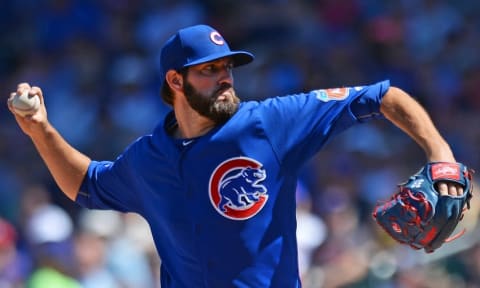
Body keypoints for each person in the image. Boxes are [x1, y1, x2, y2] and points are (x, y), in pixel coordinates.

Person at [8, 24, 465, 288]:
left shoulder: (270, 122)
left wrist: (440, 154)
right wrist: (40, 130)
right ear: (176, 82)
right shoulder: (149, 158)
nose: (226, 77)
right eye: (210, 70)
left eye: (228, 67)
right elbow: (86, 185)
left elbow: (383, 96)